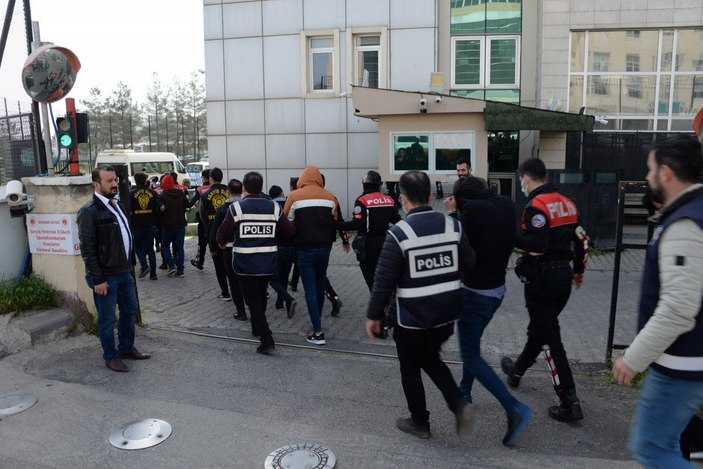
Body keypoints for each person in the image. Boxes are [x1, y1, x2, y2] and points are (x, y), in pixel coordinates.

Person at [612, 134, 703, 467]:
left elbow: (679, 309)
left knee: (651, 447)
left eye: (650, 170)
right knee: (676, 443)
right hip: (691, 359)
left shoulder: (683, 225)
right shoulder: (694, 212)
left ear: (665, 173)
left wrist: (633, 358)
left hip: (681, 363)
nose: (647, 178)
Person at [366, 170, 476, 439]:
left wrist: (374, 316)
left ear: (402, 199)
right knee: (430, 357)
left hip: (412, 318)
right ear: (429, 196)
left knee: (410, 366)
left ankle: (420, 422)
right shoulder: (453, 226)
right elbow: (470, 263)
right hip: (447, 314)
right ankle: (460, 405)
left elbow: (383, 282)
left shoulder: (399, 234)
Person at [444, 176, 533, 445]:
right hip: (497, 291)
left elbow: (458, 243)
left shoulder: (469, 211)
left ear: (462, 199)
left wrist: (453, 214)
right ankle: (465, 390)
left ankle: (514, 408)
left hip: (474, 293)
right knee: (473, 344)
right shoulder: (506, 204)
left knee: (470, 355)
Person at [500, 158, 589, 422]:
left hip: (542, 280)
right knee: (540, 329)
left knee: (550, 338)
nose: (521, 184)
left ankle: (569, 400)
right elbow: (583, 240)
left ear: (526, 177)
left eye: (521, 180)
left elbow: (536, 245)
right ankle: (516, 371)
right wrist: (579, 270)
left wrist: (510, 236)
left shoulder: (536, 207)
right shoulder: (567, 203)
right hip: (562, 278)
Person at [77, 165, 151, 373]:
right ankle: (110, 356)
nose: (114, 184)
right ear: (96, 184)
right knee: (108, 318)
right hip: (105, 276)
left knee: (129, 311)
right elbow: (88, 249)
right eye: (109, 181)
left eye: (115, 180)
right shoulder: (89, 211)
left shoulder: (117, 205)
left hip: (124, 271)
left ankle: (126, 348)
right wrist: (98, 279)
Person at [217, 171, 296, 354]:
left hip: (245, 264)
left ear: (244, 188)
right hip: (268, 262)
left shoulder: (236, 208)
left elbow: (222, 234)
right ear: (261, 187)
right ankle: (257, 327)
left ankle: (266, 338)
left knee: (253, 301)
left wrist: (222, 244)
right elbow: (289, 230)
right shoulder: (274, 208)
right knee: (260, 297)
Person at [283, 166, 339, 345]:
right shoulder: (330, 196)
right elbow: (335, 221)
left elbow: (286, 221)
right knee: (320, 284)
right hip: (325, 249)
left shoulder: (294, 196)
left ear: (303, 178)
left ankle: (317, 331)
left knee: (310, 289)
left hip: (304, 249)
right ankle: (318, 323)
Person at [210, 178, 248, 321]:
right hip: (245, 248)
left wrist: (214, 247)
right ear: (242, 190)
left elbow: (216, 230)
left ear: (228, 192)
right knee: (245, 279)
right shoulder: (246, 206)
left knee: (233, 280)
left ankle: (241, 311)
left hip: (228, 248)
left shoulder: (222, 209)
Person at [200, 168, 231, 300]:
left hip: (214, 234)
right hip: (230, 233)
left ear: (211, 178)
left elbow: (202, 216)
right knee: (231, 265)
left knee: (219, 266)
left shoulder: (205, 195)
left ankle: (225, 292)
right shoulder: (229, 192)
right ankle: (236, 289)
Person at [269, 184, 297, 318]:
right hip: (291, 247)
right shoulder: (290, 204)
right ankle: (280, 303)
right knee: (285, 276)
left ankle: (287, 299)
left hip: (275, 248)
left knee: (273, 278)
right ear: (281, 193)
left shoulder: (269, 207)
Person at [128, 172, 163, 281]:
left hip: (137, 225)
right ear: (145, 180)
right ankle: (153, 273)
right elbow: (162, 208)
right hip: (150, 224)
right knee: (150, 249)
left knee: (138, 246)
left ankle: (144, 266)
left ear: (135, 180)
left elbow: (129, 212)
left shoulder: (131, 193)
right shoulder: (152, 192)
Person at [159, 174, 191, 278]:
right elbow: (188, 205)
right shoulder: (181, 193)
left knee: (165, 246)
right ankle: (180, 270)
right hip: (180, 225)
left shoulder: (162, 195)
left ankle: (171, 265)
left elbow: (159, 210)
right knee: (180, 248)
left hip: (167, 225)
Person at [189, 168, 211, 270]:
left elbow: (191, 202)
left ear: (203, 177)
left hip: (204, 220)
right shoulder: (219, 189)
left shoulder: (199, 189)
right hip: (218, 219)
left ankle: (200, 261)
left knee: (202, 242)